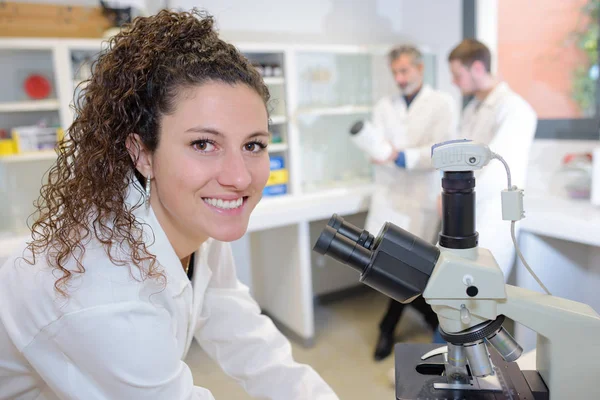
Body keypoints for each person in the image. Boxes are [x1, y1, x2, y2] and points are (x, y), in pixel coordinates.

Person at [0, 10, 339, 400]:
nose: (240, 177)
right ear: (142, 153)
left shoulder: (191, 221)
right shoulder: (99, 286)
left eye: (253, 145)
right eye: (203, 144)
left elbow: (244, 335)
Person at [365, 45, 458, 361]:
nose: (399, 78)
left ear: (420, 69)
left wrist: (402, 155)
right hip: (389, 195)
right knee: (381, 265)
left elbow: (442, 149)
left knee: (408, 270)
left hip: (420, 197)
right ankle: (429, 316)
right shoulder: (384, 105)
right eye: (395, 72)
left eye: (405, 71)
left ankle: (387, 326)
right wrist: (374, 149)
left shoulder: (442, 103)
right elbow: (377, 141)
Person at [447, 39, 537, 279]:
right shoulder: (472, 109)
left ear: (477, 68)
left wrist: (455, 202)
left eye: (457, 74)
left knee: (481, 294)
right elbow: (459, 158)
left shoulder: (515, 110)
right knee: (458, 291)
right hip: (466, 210)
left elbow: (497, 171)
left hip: (492, 215)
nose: (453, 81)